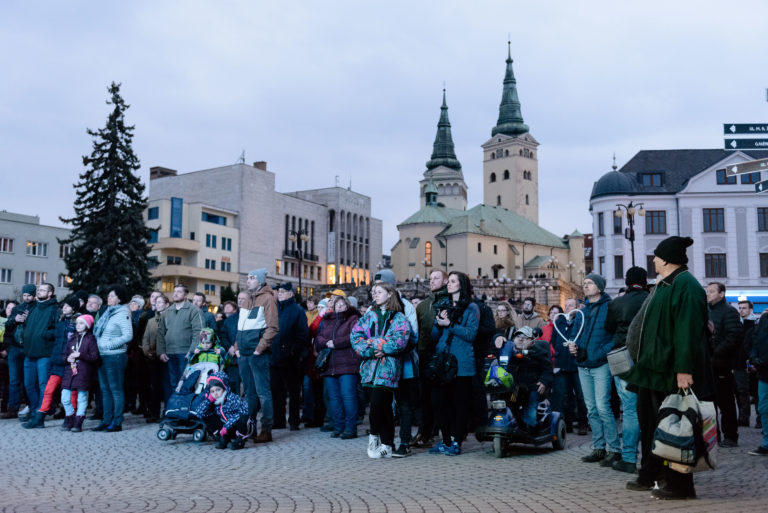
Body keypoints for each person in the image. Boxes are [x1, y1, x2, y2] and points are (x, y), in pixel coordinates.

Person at [624, 236, 714, 500]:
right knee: (652, 424)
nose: (653, 260)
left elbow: (687, 332)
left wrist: (684, 370)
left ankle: (680, 485)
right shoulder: (665, 284)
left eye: (656, 255)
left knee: (677, 426)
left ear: (666, 259)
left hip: (671, 372)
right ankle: (653, 473)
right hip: (652, 370)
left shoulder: (686, 285)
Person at [351, 281, 410, 459]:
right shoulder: (369, 316)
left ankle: (374, 437)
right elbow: (355, 336)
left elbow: (400, 340)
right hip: (369, 368)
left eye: (379, 291)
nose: (374, 295)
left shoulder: (399, 317)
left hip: (388, 368)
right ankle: (387, 444)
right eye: (373, 292)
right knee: (382, 407)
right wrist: (370, 349)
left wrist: (377, 344)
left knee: (378, 403)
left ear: (389, 293)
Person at [570, 274, 620, 467]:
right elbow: (575, 334)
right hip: (583, 364)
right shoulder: (582, 311)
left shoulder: (610, 308)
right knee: (591, 409)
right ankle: (599, 448)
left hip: (601, 365)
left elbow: (616, 336)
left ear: (599, 287)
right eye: (584, 283)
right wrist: (572, 346)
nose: (585, 285)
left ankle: (614, 449)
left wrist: (601, 352)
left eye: (589, 283)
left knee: (603, 407)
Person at [428, 271, 479, 456]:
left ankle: (457, 441)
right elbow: (435, 336)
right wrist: (438, 323)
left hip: (462, 362)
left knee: (460, 404)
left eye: (452, 281)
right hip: (443, 361)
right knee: (439, 402)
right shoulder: (444, 305)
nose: (448, 284)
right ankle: (446, 440)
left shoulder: (471, 308)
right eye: (448, 281)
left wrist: (449, 324)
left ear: (461, 285)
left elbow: (470, 334)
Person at [603, 266, 648, 474]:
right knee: (650, 408)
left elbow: (608, 328)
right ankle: (652, 457)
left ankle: (629, 457)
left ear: (627, 282)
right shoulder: (651, 300)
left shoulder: (617, 303)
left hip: (623, 357)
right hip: (648, 358)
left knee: (629, 409)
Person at [233, 269, 278, 443]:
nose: (248, 280)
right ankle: (249, 428)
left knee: (263, 393)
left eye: (252, 278)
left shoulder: (268, 299)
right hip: (244, 354)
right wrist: (237, 347)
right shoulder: (246, 301)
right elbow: (240, 328)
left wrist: (259, 349)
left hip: (257, 354)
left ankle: (266, 430)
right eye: (248, 277)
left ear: (260, 281)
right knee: (249, 393)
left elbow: (272, 327)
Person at [24, 295, 79, 429]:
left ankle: (71, 418)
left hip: (71, 363)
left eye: (67, 306)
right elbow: (56, 338)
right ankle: (40, 417)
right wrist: (46, 333)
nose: (64, 308)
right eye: (64, 305)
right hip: (58, 361)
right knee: (49, 389)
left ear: (73, 309)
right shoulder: (60, 322)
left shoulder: (78, 323)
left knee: (71, 392)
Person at [314, 293, 361, 439]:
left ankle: (350, 428)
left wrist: (335, 343)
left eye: (342, 305)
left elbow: (353, 336)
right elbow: (319, 337)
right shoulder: (328, 320)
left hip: (348, 365)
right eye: (337, 305)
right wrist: (326, 342)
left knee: (348, 397)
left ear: (347, 306)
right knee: (334, 398)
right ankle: (338, 426)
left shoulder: (353, 319)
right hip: (330, 365)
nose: (339, 308)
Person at [706, 282, 743, 447]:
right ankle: (713, 436)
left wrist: (716, 353)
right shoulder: (706, 311)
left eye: (712, 291)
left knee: (726, 402)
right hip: (708, 364)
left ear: (721, 294)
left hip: (722, 364)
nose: (708, 294)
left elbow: (734, 336)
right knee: (709, 403)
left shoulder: (729, 311)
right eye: (707, 291)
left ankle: (730, 436)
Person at [91, 284, 133, 432]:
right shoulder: (108, 313)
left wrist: (109, 345)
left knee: (115, 390)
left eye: (112, 296)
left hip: (115, 356)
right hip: (102, 355)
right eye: (108, 295)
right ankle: (106, 420)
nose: (108, 298)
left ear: (119, 299)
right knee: (105, 390)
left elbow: (128, 335)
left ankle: (117, 422)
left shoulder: (122, 313)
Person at [498, 326, 553, 432]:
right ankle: (515, 428)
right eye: (517, 336)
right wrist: (497, 337)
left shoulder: (539, 352)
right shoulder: (510, 351)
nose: (520, 339)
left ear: (532, 341)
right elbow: (495, 349)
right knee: (510, 405)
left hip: (533, 387)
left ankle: (530, 430)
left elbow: (548, 369)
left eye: (524, 337)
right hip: (516, 388)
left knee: (531, 409)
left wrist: (544, 381)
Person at [156, 284, 204, 406]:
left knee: (186, 384)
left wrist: (192, 350)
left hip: (185, 353)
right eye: (175, 291)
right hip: (169, 353)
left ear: (186, 294)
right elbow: (161, 333)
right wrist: (161, 351)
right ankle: (174, 410)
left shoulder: (194, 310)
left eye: (179, 292)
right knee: (173, 384)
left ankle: (185, 410)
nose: (175, 294)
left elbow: (199, 332)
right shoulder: (168, 312)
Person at [19, 283, 58, 427]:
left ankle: (39, 417)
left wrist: (45, 334)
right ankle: (36, 411)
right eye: (39, 289)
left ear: (50, 293)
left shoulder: (55, 309)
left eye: (42, 290)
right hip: (29, 353)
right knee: (29, 385)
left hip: (44, 353)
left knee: (43, 386)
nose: (39, 291)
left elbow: (58, 329)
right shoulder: (33, 308)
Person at [271, 282, 309, 431]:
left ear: (290, 294)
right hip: (274, 357)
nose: (279, 294)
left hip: (290, 359)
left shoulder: (297, 310)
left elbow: (302, 334)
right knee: (276, 391)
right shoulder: (275, 309)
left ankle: (294, 420)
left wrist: (293, 351)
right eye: (279, 291)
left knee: (293, 391)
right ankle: (278, 420)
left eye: (282, 291)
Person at [551, 298, 588, 435]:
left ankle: (583, 423)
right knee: (565, 396)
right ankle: (568, 423)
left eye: (570, 305)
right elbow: (554, 339)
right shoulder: (559, 322)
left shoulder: (581, 321)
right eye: (566, 305)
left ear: (577, 307)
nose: (567, 308)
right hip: (562, 364)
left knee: (580, 395)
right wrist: (559, 351)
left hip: (577, 365)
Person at [193, 371, 253, 450]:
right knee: (206, 415)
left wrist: (226, 427)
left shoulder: (233, 398)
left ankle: (240, 441)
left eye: (218, 390)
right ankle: (224, 438)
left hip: (237, 427)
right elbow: (199, 413)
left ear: (224, 388)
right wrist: (208, 401)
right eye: (212, 391)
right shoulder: (214, 401)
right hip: (226, 429)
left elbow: (242, 413)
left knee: (243, 417)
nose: (215, 393)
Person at [60, 314, 99, 432]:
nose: (78, 325)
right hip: (70, 372)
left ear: (87, 325)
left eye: (81, 323)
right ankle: (70, 417)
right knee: (65, 397)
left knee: (82, 398)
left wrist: (80, 355)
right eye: (77, 323)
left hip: (84, 372)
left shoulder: (91, 339)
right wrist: (67, 359)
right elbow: (64, 355)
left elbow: (94, 357)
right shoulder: (72, 338)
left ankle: (78, 422)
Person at [1, 287, 33, 420]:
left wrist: (27, 320)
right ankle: (12, 409)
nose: (26, 297)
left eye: (29, 295)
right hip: (14, 347)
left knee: (28, 380)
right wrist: (15, 319)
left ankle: (31, 408)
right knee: (14, 379)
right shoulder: (17, 309)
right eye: (24, 295)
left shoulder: (36, 309)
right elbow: (8, 325)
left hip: (28, 348)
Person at [141, 293, 170, 422]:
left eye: (160, 302)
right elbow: (145, 338)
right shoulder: (151, 321)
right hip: (153, 358)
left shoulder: (170, 319)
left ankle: (167, 412)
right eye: (156, 302)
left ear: (167, 305)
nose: (157, 304)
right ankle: (154, 413)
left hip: (166, 357)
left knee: (166, 386)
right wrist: (147, 352)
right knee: (154, 386)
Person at [749, 308, 768, 456]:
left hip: (764, 368)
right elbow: (755, 341)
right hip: (764, 373)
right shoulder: (764, 319)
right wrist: (754, 358)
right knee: (763, 408)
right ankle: (766, 444)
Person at [736, 300, 758, 427]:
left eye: (744, 308)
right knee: (741, 391)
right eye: (740, 308)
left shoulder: (755, 325)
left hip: (752, 363)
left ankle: (759, 419)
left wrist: (753, 362)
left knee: (755, 391)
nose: (741, 310)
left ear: (750, 310)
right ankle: (744, 418)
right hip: (739, 363)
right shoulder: (738, 324)